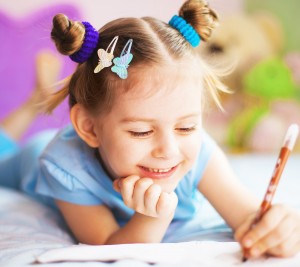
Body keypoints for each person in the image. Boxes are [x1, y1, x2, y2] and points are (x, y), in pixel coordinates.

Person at [0, 0, 299, 260]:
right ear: (89, 127)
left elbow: (248, 216)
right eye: (141, 131)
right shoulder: (62, 163)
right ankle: (34, 104)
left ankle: (36, 102)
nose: (169, 150)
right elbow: (106, 246)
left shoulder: (196, 151)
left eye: (186, 126)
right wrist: (152, 218)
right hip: (30, 156)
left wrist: (277, 228)